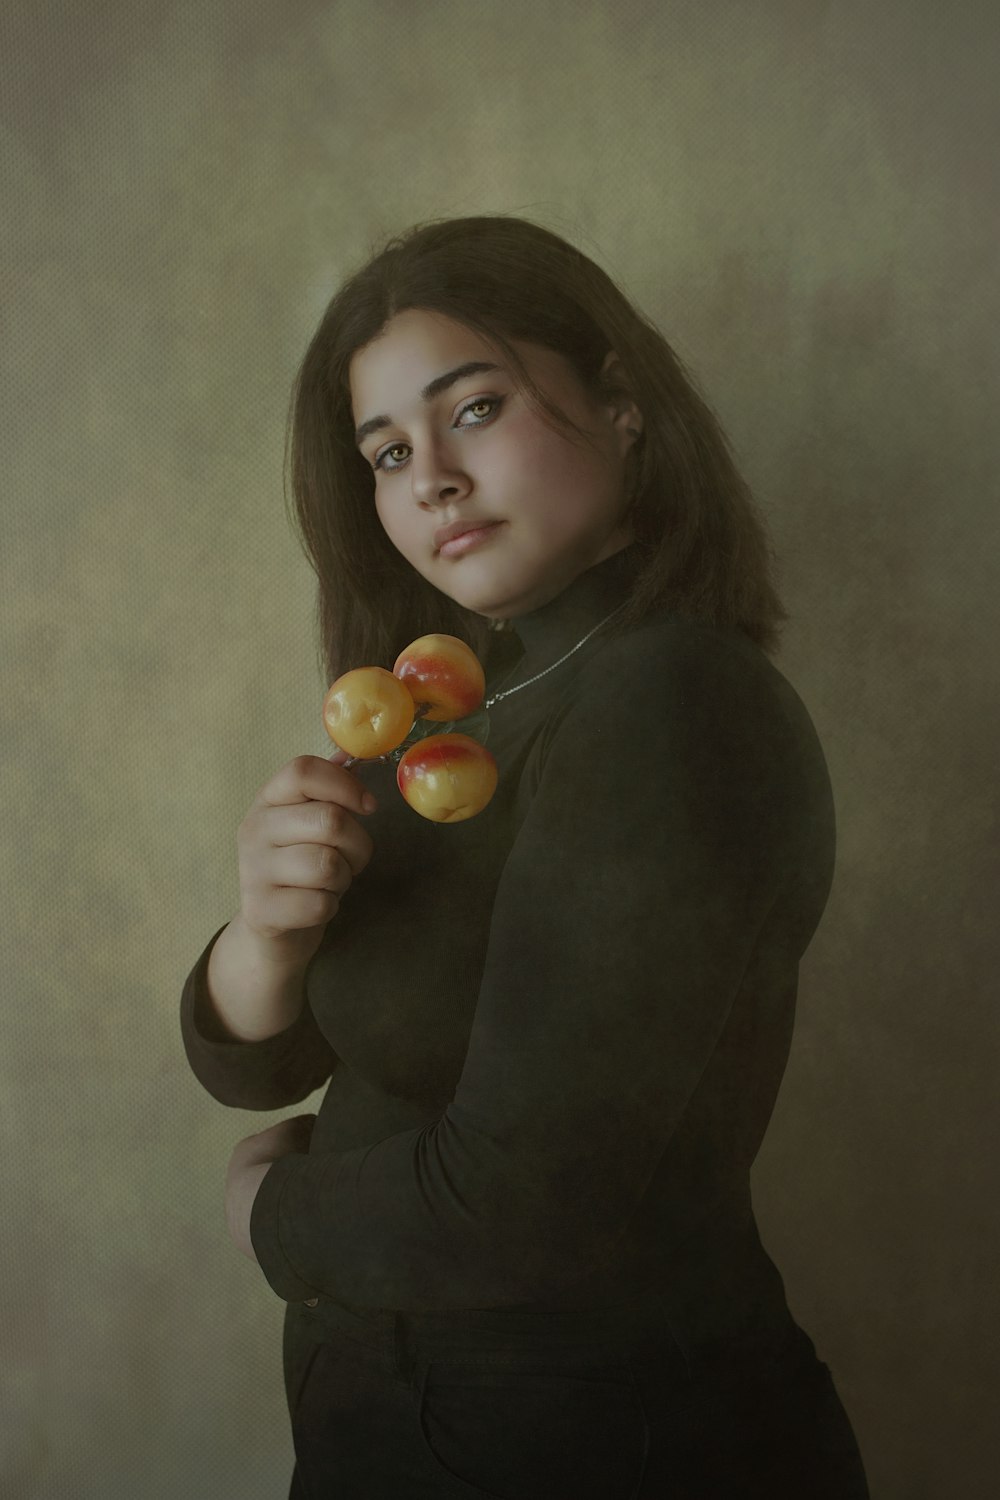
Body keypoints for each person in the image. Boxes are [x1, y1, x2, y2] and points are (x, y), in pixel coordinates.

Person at [180, 214, 870, 1498]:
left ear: (623, 406)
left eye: (475, 409)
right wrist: (265, 934)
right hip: (411, 1433)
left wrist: (267, 1214)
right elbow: (275, 1055)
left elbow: (521, 1209)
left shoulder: (675, 703)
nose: (428, 476)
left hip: (606, 1447)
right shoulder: (466, 707)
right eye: (386, 451)